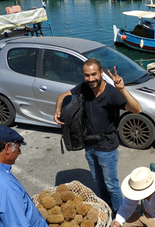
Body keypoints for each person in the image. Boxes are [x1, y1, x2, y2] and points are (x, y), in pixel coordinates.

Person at [54, 59, 142, 213]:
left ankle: (120, 216)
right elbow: (62, 96)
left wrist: (122, 89)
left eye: (94, 74)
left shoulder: (112, 93)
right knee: (98, 182)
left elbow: (137, 109)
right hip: (89, 146)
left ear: (101, 73)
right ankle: (108, 207)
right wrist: (58, 111)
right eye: (87, 75)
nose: (90, 79)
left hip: (107, 148)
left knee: (111, 185)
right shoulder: (84, 87)